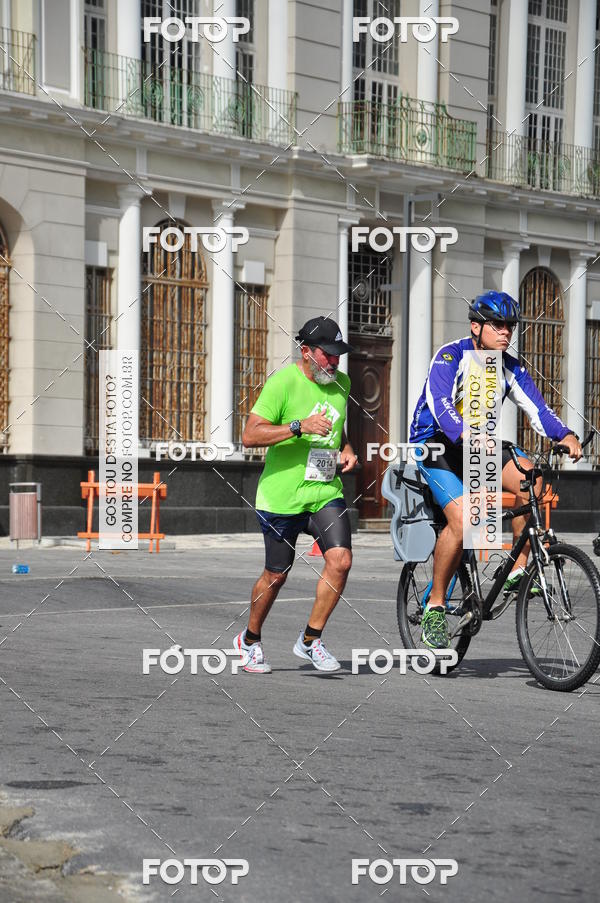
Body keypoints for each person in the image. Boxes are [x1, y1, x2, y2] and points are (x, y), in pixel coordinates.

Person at [410, 291, 582, 649]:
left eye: (511, 326)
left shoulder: (510, 366)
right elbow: (441, 406)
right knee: (462, 520)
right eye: (498, 325)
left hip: (479, 445)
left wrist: (564, 434)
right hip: (437, 444)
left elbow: (538, 409)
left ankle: (517, 570)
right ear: (476, 326)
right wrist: (468, 436)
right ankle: (435, 607)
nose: (506, 332)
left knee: (531, 481)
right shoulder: (449, 356)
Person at [234, 316, 358, 673]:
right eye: (327, 355)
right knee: (276, 575)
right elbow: (250, 436)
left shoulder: (342, 383)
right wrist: (297, 427)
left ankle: (310, 640)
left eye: (338, 356)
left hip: (323, 490)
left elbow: (338, 426)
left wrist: (347, 447)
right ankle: (250, 640)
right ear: (306, 352)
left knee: (341, 560)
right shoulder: (282, 384)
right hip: (282, 496)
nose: (335, 362)